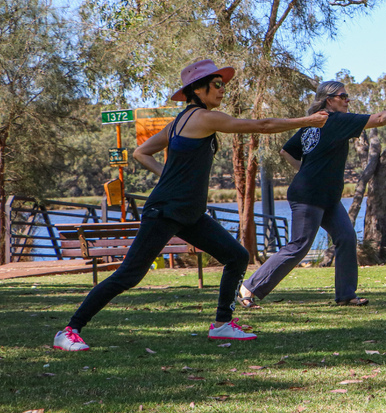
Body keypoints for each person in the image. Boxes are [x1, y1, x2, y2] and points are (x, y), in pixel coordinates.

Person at [53, 59, 329, 352]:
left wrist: (168, 174)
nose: (223, 90)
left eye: (224, 84)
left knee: (236, 256)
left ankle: (222, 324)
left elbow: (141, 152)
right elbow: (260, 125)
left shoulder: (177, 124)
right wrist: (306, 121)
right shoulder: (201, 117)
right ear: (198, 89)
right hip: (165, 210)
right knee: (129, 275)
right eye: (217, 84)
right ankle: (69, 331)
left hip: (189, 213)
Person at [237, 81, 386, 308]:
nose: (348, 100)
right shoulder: (335, 120)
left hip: (327, 196)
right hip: (309, 194)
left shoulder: (313, 124)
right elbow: (379, 119)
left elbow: (286, 151)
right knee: (299, 245)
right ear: (330, 100)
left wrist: (308, 169)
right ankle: (249, 286)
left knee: (346, 238)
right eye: (343, 96)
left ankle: (346, 295)